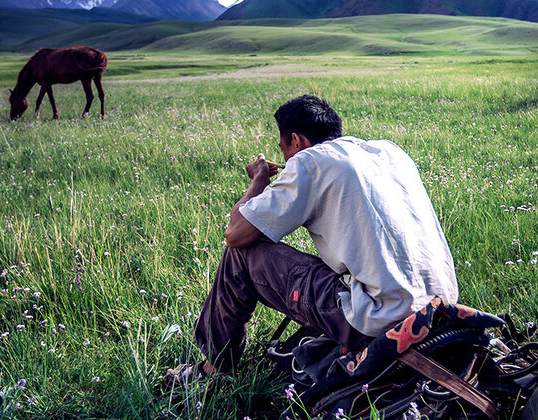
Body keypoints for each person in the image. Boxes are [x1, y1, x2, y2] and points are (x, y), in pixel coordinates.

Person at [168, 94, 458, 382]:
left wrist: (258, 180)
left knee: (241, 255)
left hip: (380, 318)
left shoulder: (309, 161)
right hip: (440, 309)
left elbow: (236, 234)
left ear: (296, 140)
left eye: (283, 149)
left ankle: (215, 369)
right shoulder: (390, 153)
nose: (285, 159)